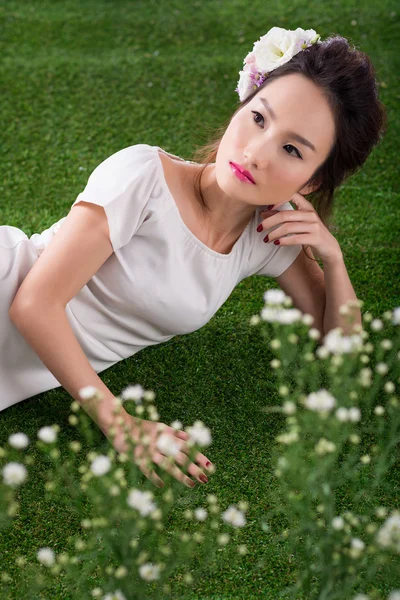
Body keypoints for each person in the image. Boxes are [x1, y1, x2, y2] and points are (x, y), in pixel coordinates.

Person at [0, 27, 387, 489]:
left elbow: (341, 356)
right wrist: (121, 424)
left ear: (311, 183)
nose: (254, 152)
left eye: (291, 149)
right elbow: (33, 304)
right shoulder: (143, 175)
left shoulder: (265, 237)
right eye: (259, 118)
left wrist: (333, 259)